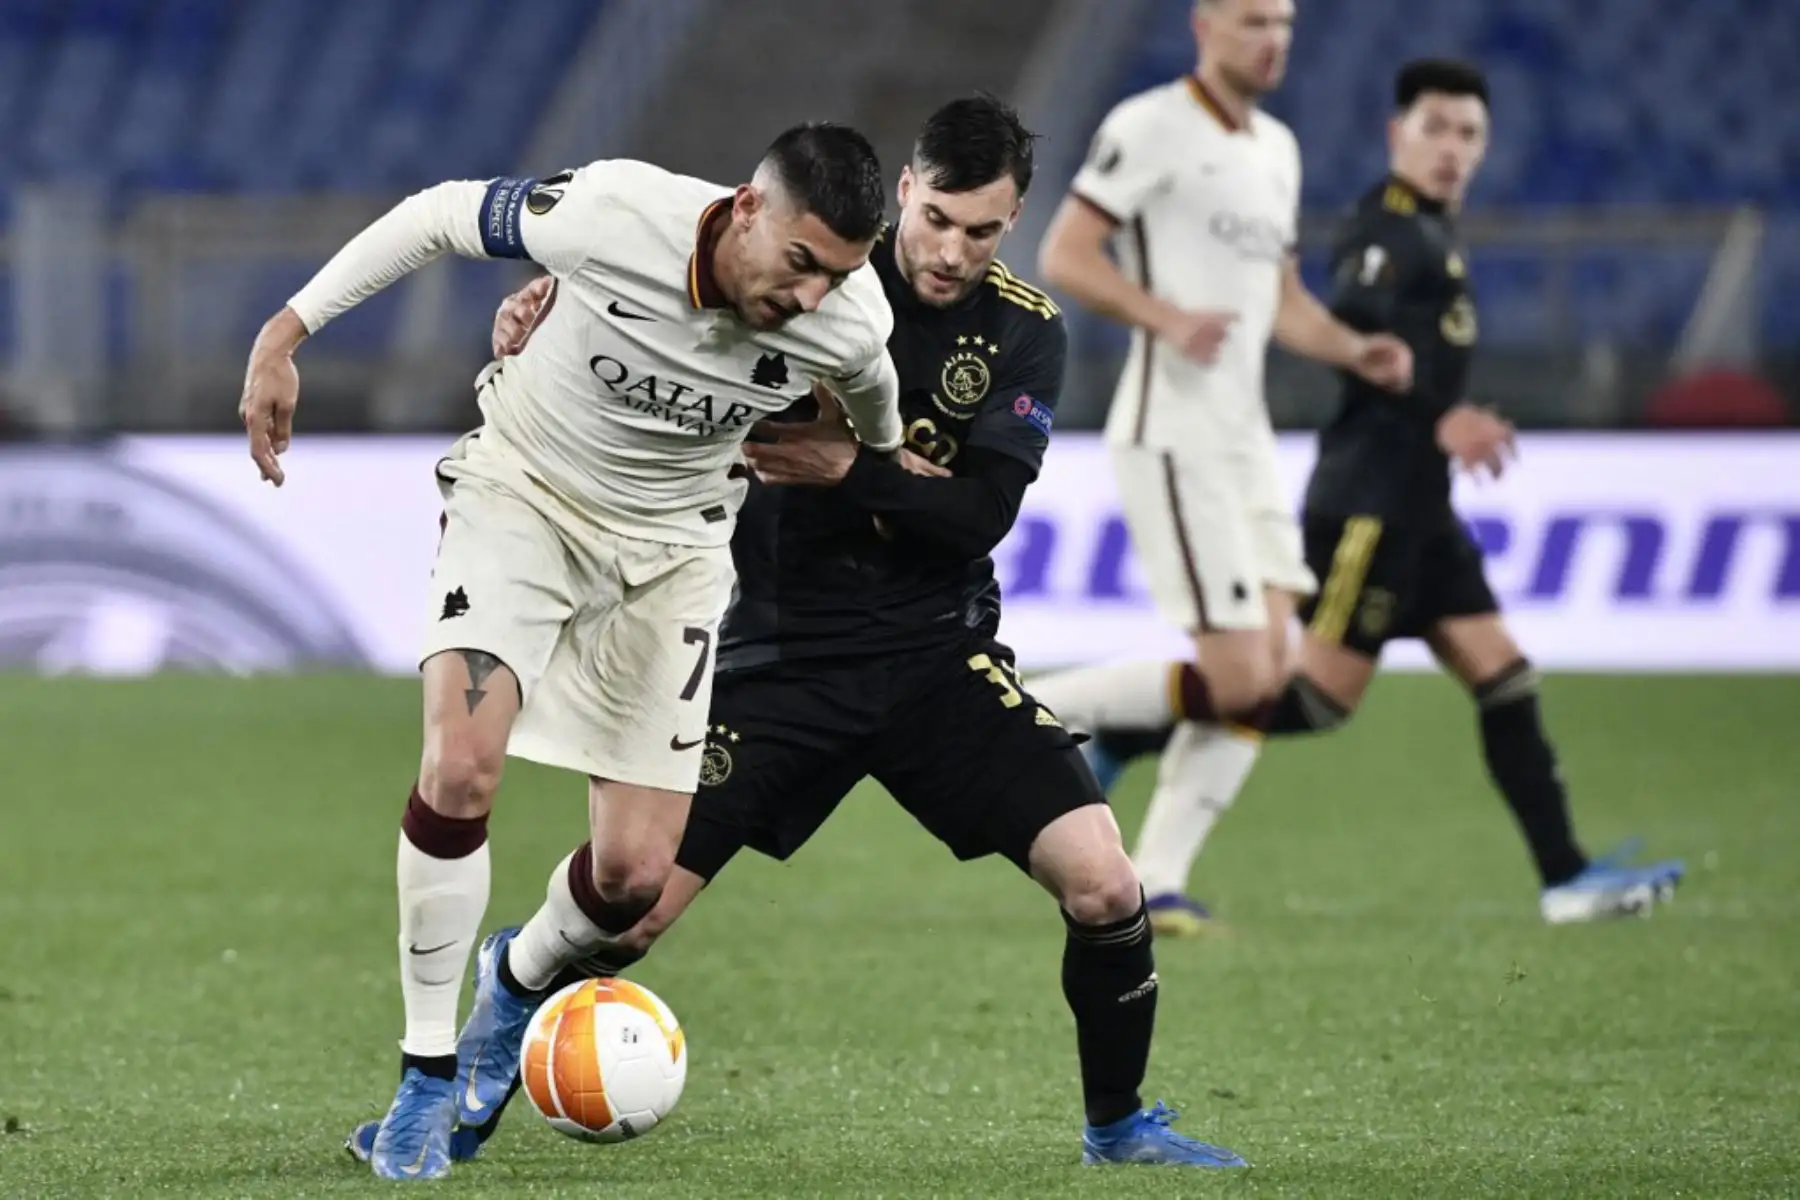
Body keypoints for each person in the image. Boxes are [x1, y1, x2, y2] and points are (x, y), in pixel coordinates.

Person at [347, 93, 1249, 1171]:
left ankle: (1118, 1125)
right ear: (906, 189)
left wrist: (854, 469)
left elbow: (981, 516)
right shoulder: (804, 273)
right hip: (771, 655)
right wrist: (557, 302)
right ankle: (510, 992)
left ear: (1013, 224)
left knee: (1106, 884)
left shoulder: (1022, 332)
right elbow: (654, 278)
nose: (953, 252)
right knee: (625, 916)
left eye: (984, 231)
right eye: (940, 219)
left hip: (934, 663)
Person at [241, 123, 905, 1180]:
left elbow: (868, 428)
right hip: (526, 499)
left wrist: (839, 451)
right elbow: (436, 215)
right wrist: (286, 332)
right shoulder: (610, 214)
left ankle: (513, 984)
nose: (814, 296)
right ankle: (424, 1079)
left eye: (840, 274)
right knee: (460, 768)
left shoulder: (851, 327)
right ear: (746, 210)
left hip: (677, 554)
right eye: (800, 263)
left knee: (635, 879)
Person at [1077, 60, 1686, 928]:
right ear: (1396, 133)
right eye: (1434, 128)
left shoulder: (1435, 232)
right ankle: (1127, 730)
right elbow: (1356, 332)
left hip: (1423, 510)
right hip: (1369, 504)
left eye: (1468, 134)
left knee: (1505, 677)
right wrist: (1441, 417)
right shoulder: (1388, 233)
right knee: (1314, 697)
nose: (1451, 149)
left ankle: (1565, 879)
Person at [1021, 0, 1413, 935]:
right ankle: (1040, 713)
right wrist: (1164, 317)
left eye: (1283, 24)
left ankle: (1159, 877)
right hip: (1171, 431)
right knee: (1240, 678)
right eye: (1252, 22)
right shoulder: (1150, 126)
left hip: (1245, 436)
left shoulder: (1276, 147)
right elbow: (1066, 252)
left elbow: (1280, 300)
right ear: (1205, 26)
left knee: (1273, 671)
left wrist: (1355, 352)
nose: (1271, 40)